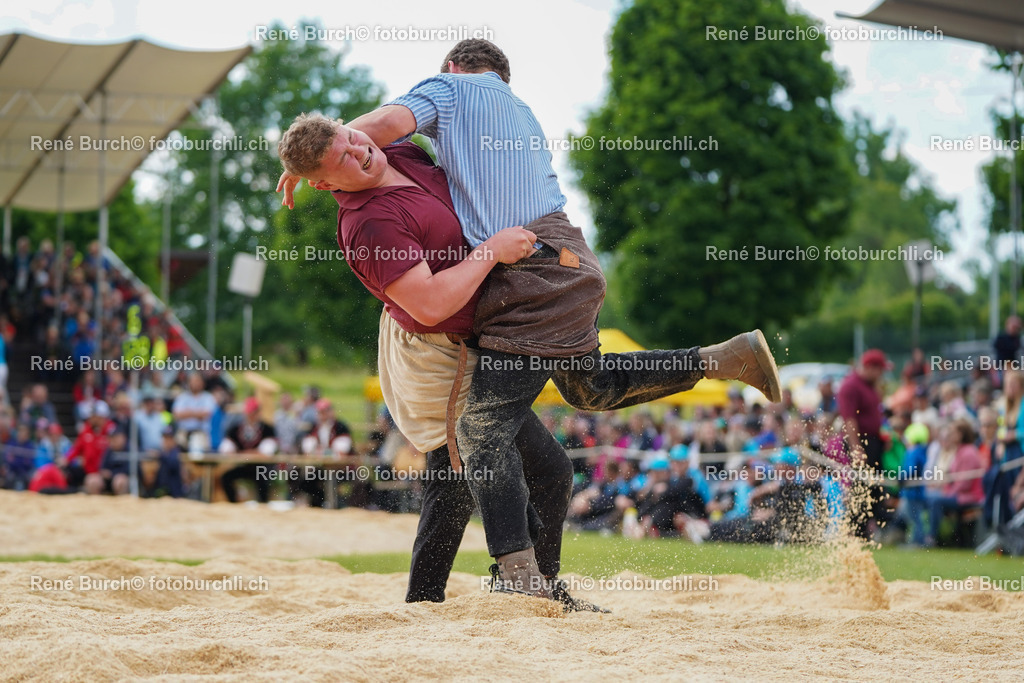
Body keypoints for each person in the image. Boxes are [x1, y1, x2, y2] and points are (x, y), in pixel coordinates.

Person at [276, 40, 781, 604]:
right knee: (474, 453)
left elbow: (378, 128)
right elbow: (429, 305)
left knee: (527, 457)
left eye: (352, 140)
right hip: (435, 342)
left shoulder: (397, 151)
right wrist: (490, 251)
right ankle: (512, 586)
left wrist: (323, 147)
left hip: (490, 315)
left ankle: (471, 596)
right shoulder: (372, 223)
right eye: (342, 159)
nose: (359, 151)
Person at [838, 348, 889, 538]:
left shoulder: (870, 385)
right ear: (870, 367)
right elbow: (849, 419)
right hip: (862, 443)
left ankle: (867, 529)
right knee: (861, 489)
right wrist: (856, 447)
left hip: (874, 442)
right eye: (880, 369)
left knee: (875, 488)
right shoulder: (851, 386)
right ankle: (856, 531)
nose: (882, 374)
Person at [220, 397, 277, 504]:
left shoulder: (267, 429)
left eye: (252, 413)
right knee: (226, 478)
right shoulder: (236, 428)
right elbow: (226, 448)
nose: (249, 416)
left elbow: (265, 454)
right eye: (248, 413)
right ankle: (234, 503)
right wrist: (248, 454)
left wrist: (241, 454)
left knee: (262, 479)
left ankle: (263, 505)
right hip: (244, 466)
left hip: (261, 468)